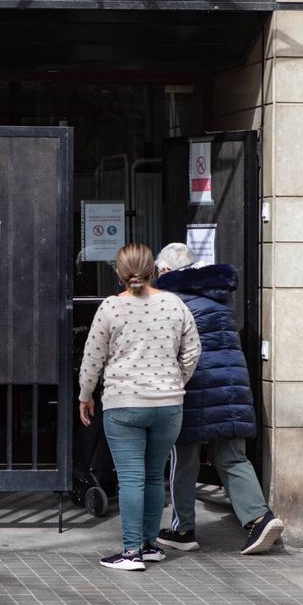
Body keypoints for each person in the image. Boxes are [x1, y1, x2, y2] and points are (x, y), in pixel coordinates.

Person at [152, 242, 284, 555]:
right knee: (233, 456)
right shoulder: (218, 297)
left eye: (158, 272)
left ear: (167, 271)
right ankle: (259, 517)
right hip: (233, 388)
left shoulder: (172, 302)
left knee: (183, 459)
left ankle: (183, 529)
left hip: (197, 388)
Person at [79, 243, 201, 571]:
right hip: (168, 404)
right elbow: (193, 351)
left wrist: (85, 395)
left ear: (119, 274)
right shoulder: (174, 304)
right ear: (152, 270)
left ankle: (131, 552)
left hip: (124, 405)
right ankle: (150, 545)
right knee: (152, 476)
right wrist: (176, 382)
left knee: (131, 478)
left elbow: (93, 358)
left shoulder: (110, 308)